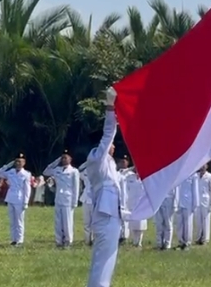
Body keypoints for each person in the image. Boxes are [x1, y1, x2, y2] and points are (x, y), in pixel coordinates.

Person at [85, 87, 122, 287]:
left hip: (110, 215)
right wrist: (110, 107)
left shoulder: (108, 162)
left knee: (105, 260)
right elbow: (109, 133)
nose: (112, 146)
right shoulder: (97, 158)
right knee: (103, 261)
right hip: (106, 216)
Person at [43, 150, 80, 248]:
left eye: (66, 157)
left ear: (70, 159)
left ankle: (68, 240)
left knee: (68, 221)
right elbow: (46, 171)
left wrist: (74, 202)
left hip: (68, 199)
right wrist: (57, 160)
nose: (64, 159)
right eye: (62, 157)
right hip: (58, 197)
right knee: (58, 221)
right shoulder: (57, 169)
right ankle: (59, 241)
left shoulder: (74, 171)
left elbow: (76, 187)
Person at [0, 154, 32, 246]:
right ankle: (13, 239)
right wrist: (8, 165)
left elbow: (27, 189)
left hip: (20, 198)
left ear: (24, 163)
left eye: (20, 161)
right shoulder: (11, 171)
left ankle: (20, 240)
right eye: (16, 161)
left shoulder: (26, 174)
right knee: (12, 221)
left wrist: (26, 202)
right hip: (11, 197)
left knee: (19, 221)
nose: (18, 163)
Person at [176, 172, 199, 250]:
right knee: (179, 223)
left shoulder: (193, 174)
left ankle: (187, 243)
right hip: (179, 201)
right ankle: (181, 242)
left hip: (188, 202)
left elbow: (195, 190)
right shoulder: (178, 172)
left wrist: (195, 204)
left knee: (188, 223)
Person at [195, 164, 211, 246]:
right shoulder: (195, 176)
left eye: (204, 165)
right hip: (197, 201)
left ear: (207, 166)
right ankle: (198, 237)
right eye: (201, 165)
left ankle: (205, 239)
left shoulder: (210, 177)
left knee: (206, 220)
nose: (202, 167)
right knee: (198, 220)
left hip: (206, 201)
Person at [126, 170, 147, 247]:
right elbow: (126, 189)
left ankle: (139, 242)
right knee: (133, 223)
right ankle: (134, 241)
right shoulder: (129, 177)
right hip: (131, 203)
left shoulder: (145, 177)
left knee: (141, 224)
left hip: (141, 203)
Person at [154, 185, 179, 250]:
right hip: (158, 199)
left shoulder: (173, 177)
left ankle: (167, 244)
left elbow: (176, 190)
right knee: (159, 223)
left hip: (169, 200)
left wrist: (175, 204)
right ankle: (159, 243)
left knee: (168, 223)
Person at [117, 157, 135, 244]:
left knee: (126, 218)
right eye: (121, 161)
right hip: (118, 198)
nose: (123, 163)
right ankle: (119, 235)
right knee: (119, 218)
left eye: (125, 161)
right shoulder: (116, 173)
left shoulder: (131, 174)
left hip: (128, 199)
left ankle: (125, 236)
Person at [79, 163, 94, 245]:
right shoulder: (86, 171)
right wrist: (87, 162)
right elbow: (79, 170)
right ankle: (87, 240)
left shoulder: (100, 171)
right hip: (85, 199)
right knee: (86, 222)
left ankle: (95, 240)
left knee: (95, 222)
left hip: (95, 200)